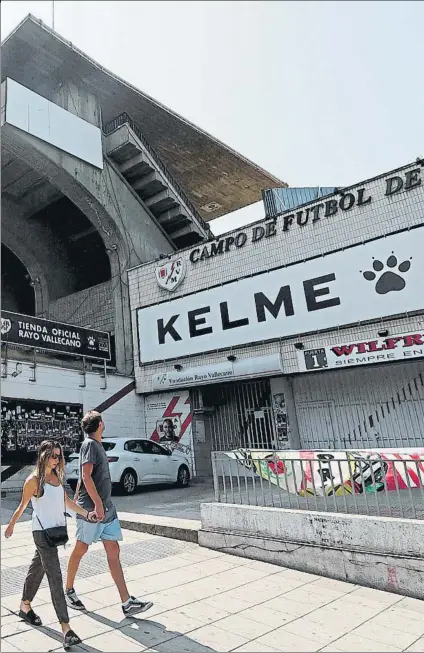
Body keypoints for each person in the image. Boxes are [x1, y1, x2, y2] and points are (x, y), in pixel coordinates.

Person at [4, 440, 97, 651]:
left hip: (54, 533)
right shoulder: (33, 481)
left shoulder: (56, 477)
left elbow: (66, 502)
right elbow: (22, 506)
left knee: (37, 569)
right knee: (55, 576)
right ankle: (66, 629)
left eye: (59, 456)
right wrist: (11, 526)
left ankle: (24, 605)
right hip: (41, 532)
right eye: (53, 455)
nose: (56, 460)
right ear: (44, 455)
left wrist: (85, 514)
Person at [65, 410, 153, 616]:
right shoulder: (89, 445)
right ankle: (68, 589)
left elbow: (87, 478)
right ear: (100, 424)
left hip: (107, 509)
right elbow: (86, 476)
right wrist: (95, 505)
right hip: (92, 509)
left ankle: (126, 602)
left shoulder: (97, 445)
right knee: (81, 549)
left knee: (113, 551)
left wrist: (102, 505)